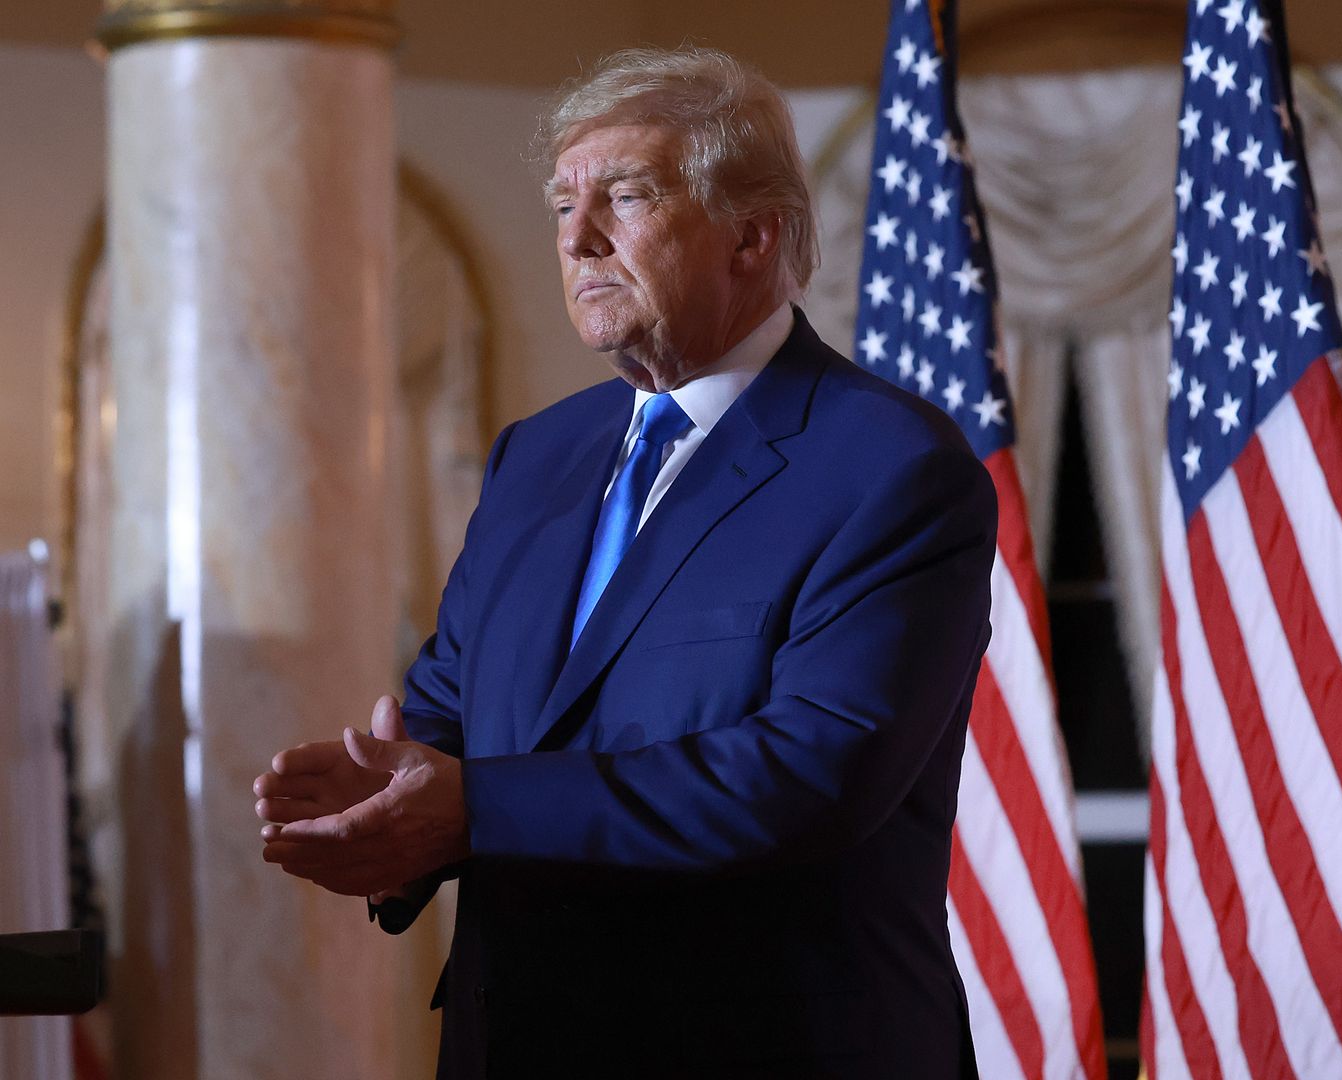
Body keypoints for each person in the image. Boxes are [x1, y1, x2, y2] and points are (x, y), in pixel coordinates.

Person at [252, 46, 993, 1079]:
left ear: (753, 233)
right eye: (562, 207)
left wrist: (469, 805)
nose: (580, 238)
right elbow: (456, 705)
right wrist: (385, 807)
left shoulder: (890, 467)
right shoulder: (536, 456)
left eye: (627, 197)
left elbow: (809, 775)